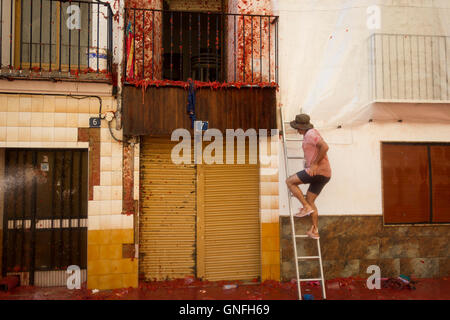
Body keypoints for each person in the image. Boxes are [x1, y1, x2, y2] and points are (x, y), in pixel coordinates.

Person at [286, 114, 331, 239]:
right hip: (325, 174)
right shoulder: (309, 134)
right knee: (310, 200)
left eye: (297, 128)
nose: (297, 131)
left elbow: (325, 146)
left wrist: (314, 164)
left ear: (302, 127)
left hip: (317, 171)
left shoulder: (310, 134)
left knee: (290, 181)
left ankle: (305, 207)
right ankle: (315, 230)